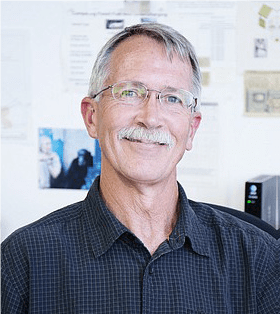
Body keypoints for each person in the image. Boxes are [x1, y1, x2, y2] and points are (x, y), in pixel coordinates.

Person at [0, 23, 278, 313]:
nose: (151, 118)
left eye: (172, 98)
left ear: (192, 129)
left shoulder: (259, 259)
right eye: (130, 92)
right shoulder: (23, 262)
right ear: (92, 117)